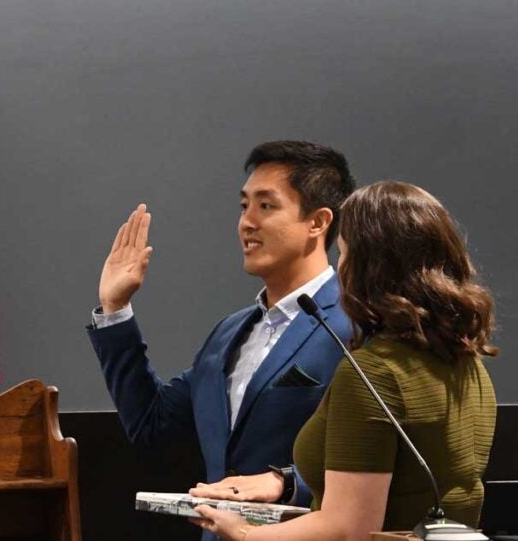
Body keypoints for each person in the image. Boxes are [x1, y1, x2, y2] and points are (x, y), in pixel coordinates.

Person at [192, 181, 498, 540]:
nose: (341, 271)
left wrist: (242, 532)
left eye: (344, 254)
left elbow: (345, 528)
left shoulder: (373, 373)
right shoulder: (468, 366)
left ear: (369, 268)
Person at [88, 141, 356, 540]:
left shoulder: (355, 325)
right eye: (244, 206)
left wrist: (286, 481)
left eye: (266, 206)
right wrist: (115, 308)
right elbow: (153, 426)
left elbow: (384, 458)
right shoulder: (229, 333)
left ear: (317, 223)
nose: (247, 222)